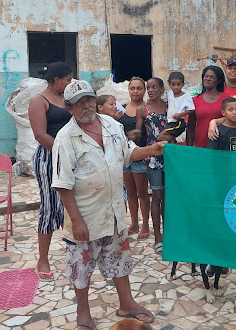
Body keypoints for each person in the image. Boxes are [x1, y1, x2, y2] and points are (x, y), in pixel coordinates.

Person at [52, 80, 163, 328]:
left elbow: (127, 153)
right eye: (79, 102)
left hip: (113, 212)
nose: (87, 105)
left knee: (120, 260)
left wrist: (152, 149)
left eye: (89, 99)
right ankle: (83, 313)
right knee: (81, 270)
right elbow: (62, 184)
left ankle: (127, 303)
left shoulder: (111, 125)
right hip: (85, 218)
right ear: (69, 108)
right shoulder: (65, 138)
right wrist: (77, 220)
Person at [28, 61, 73, 280]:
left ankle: (72, 247)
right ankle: (43, 259)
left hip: (70, 156)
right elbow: (40, 135)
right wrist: (62, 151)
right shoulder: (39, 101)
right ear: (56, 80)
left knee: (70, 204)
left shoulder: (67, 99)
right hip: (49, 158)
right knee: (49, 205)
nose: (69, 83)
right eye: (67, 80)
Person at [118, 77, 150, 240]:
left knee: (142, 192)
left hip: (140, 154)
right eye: (132, 88)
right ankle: (134, 223)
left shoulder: (147, 109)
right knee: (130, 192)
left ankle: (145, 224)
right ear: (128, 90)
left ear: (144, 91)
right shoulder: (122, 109)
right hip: (125, 156)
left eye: (139, 88)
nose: (135, 91)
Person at [143, 77, 172, 252]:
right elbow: (140, 135)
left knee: (168, 196)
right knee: (156, 195)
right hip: (153, 156)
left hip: (169, 155)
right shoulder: (143, 109)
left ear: (162, 88)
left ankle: (168, 232)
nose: (151, 90)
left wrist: (170, 136)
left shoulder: (170, 107)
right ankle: (158, 237)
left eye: (154, 87)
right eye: (149, 88)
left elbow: (180, 125)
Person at [187, 65, 228, 148]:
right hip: (200, 146)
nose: (208, 79)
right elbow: (190, 127)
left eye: (212, 77)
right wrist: (189, 147)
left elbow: (233, 120)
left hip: (222, 145)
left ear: (218, 80)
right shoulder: (195, 100)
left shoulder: (227, 99)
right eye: (206, 76)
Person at [163, 71, 195, 142]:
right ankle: (174, 145)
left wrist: (180, 114)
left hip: (178, 123)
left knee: (161, 136)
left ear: (183, 84)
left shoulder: (186, 96)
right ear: (169, 84)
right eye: (173, 85)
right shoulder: (169, 94)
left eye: (178, 84)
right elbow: (163, 102)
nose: (176, 87)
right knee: (170, 139)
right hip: (170, 122)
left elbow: (192, 109)